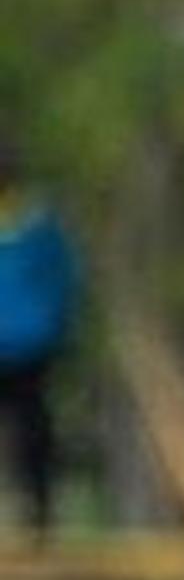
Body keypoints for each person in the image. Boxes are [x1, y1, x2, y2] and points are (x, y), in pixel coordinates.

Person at [0, 138, 77, 546]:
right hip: (31, 339)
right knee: (32, 429)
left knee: (33, 430)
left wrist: (55, 326)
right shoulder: (39, 222)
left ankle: (39, 514)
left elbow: (62, 278)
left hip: (30, 345)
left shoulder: (37, 222)